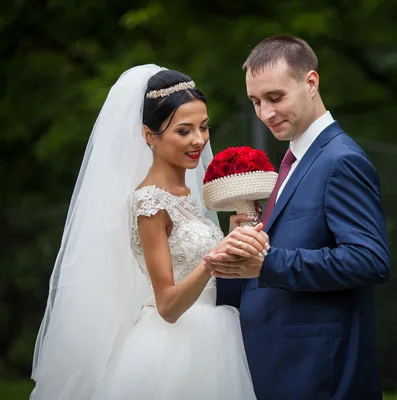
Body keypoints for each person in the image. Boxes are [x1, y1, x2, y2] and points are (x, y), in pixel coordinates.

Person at [30, 64, 265, 399]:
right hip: (172, 346)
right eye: (183, 131)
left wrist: (230, 238)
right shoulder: (149, 203)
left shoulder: (187, 195)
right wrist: (217, 255)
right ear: (149, 135)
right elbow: (167, 305)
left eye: (204, 127)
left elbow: (193, 255)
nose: (198, 140)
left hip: (213, 336)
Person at [207, 36, 391, 399]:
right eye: (256, 102)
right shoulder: (295, 159)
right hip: (276, 366)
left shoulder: (341, 160)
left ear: (311, 82)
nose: (265, 113)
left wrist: (266, 262)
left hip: (319, 375)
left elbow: (370, 259)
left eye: (275, 98)